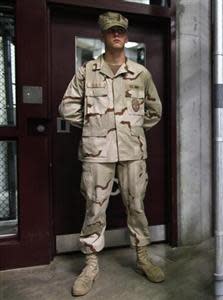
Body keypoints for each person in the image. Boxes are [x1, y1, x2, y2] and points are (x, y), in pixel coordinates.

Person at [59, 11, 164, 297]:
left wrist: (131, 128)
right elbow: (67, 107)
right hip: (97, 153)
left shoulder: (141, 74)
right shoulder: (88, 71)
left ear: (126, 35)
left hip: (132, 152)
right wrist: (97, 124)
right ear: (103, 36)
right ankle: (91, 265)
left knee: (137, 207)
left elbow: (155, 110)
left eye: (120, 30)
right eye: (111, 30)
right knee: (94, 208)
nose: (116, 34)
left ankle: (143, 258)